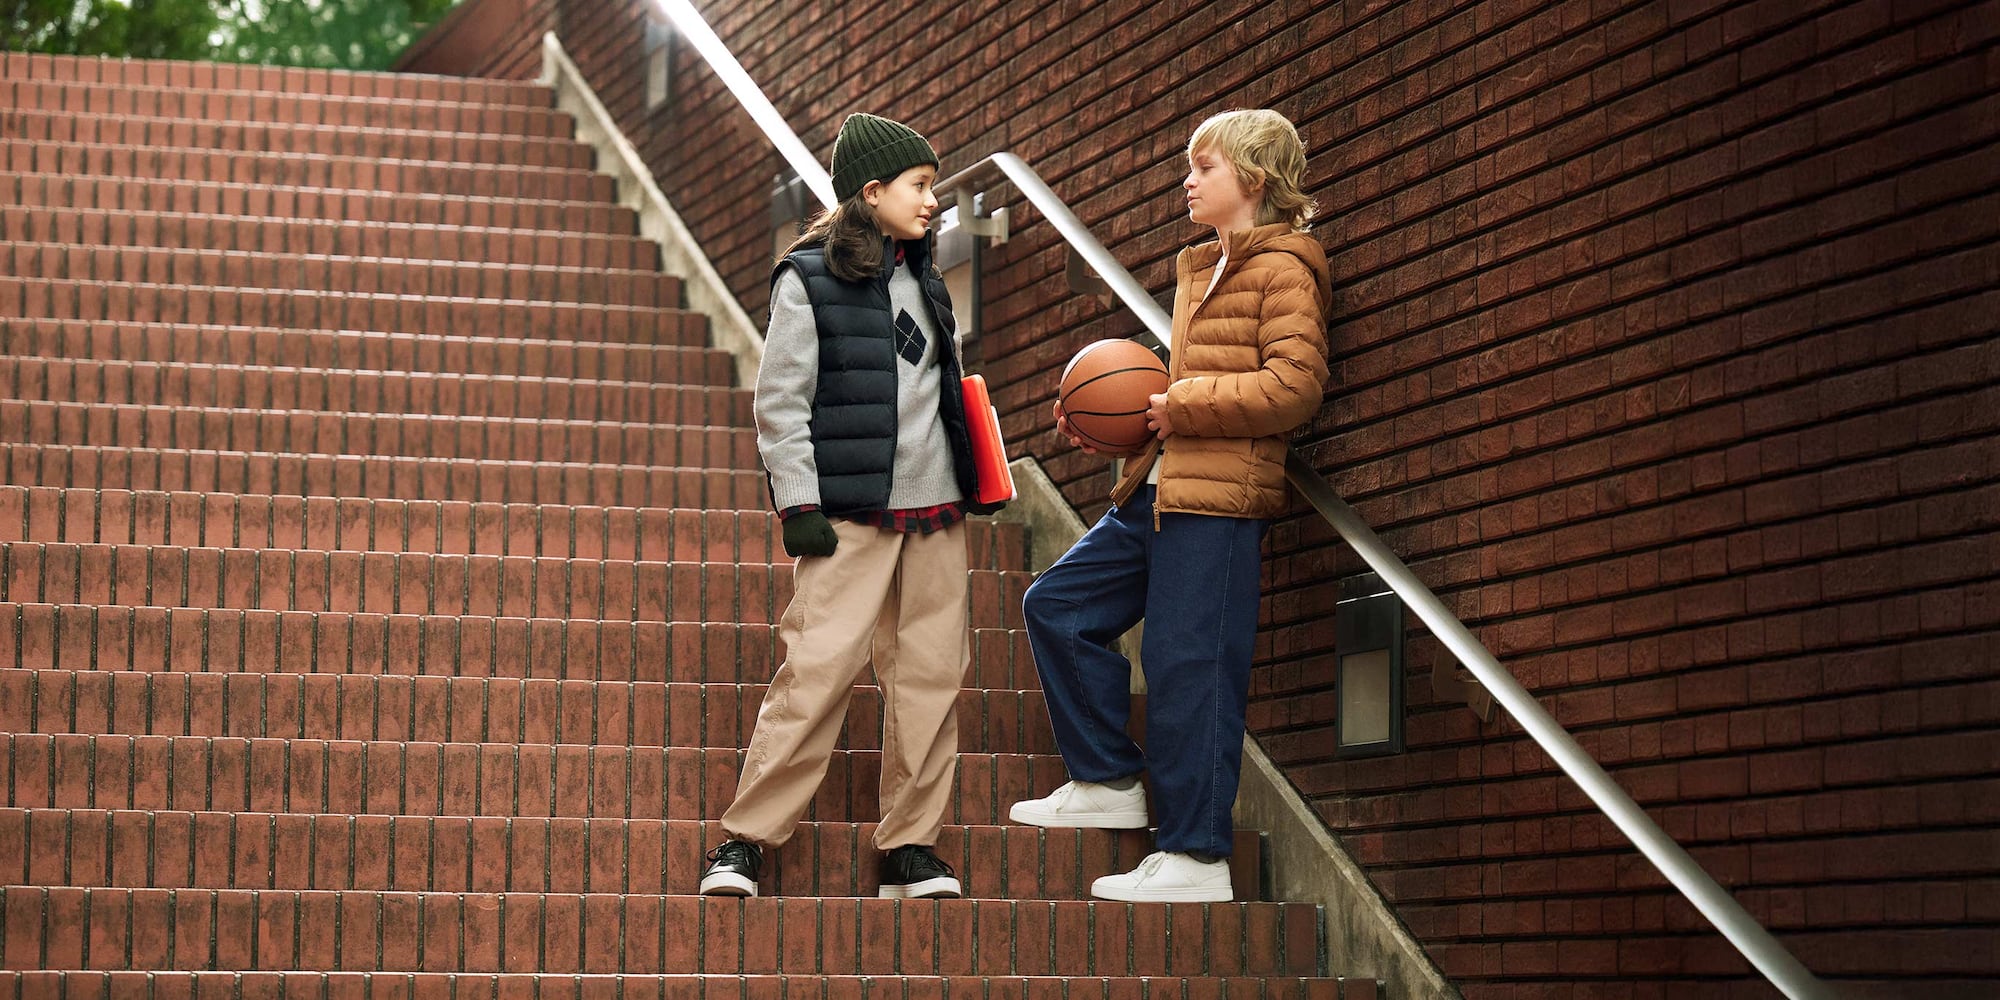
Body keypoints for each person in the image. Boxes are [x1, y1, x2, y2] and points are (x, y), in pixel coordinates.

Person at [1007, 109, 1332, 902]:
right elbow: (1182, 401)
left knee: (1188, 669)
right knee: (1058, 606)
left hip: (1217, 510)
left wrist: (1176, 403)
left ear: (1252, 179)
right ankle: (1109, 779)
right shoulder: (1208, 267)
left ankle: (1196, 858)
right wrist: (1121, 427)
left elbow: (1295, 387)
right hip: (1159, 494)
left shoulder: (1285, 268)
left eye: (1204, 167)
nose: (1187, 180)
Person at [699, 112, 1000, 899]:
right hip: (849, 511)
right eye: (920, 185)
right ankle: (746, 842)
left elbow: (937, 395)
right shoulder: (807, 278)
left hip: (936, 513)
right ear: (873, 191)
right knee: (819, 670)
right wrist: (798, 502)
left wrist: (977, 472)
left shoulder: (929, 279)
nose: (933, 200)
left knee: (932, 676)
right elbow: (781, 402)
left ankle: (911, 847)